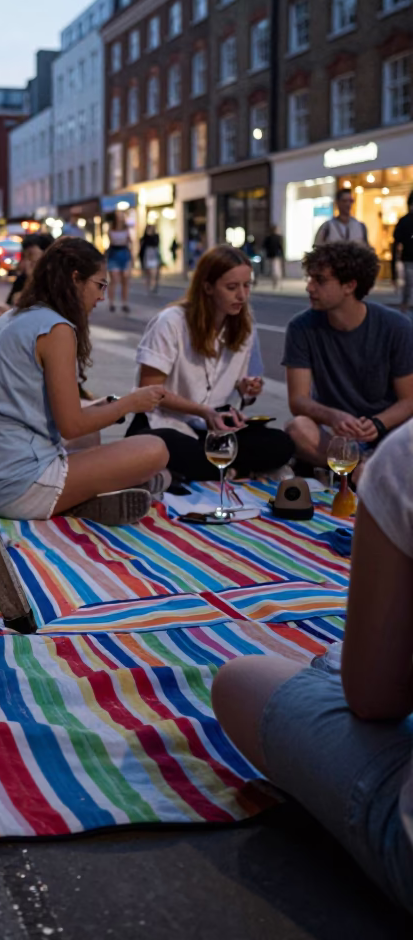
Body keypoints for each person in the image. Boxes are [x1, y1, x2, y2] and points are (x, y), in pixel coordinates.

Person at [211, 419, 413, 915]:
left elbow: (374, 700)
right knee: (285, 431)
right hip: (308, 428)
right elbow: (299, 403)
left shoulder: (404, 456)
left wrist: (380, 423)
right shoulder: (308, 335)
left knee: (241, 680)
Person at [0, 237, 169, 519]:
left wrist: (103, 408)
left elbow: (35, 409)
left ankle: (95, 494)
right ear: (76, 279)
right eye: (100, 285)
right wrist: (130, 404)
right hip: (18, 484)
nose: (102, 297)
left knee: (93, 434)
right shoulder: (57, 329)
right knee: (155, 449)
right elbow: (72, 426)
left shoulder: (12, 317)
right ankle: (85, 498)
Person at [124, 246, 294, 480]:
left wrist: (247, 389)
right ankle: (229, 470)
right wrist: (203, 411)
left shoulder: (243, 326)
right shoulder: (172, 322)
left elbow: (245, 388)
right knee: (163, 446)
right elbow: (149, 390)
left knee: (281, 444)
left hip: (214, 429)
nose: (242, 296)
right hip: (164, 423)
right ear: (207, 287)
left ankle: (202, 471)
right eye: (232, 287)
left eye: (247, 286)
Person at [284, 241, 413, 478]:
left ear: (350, 286)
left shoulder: (396, 327)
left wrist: (377, 423)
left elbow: (409, 400)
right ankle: (359, 470)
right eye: (309, 279)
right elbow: (298, 401)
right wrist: (334, 416)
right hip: (335, 437)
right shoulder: (301, 327)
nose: (309, 288)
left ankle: (358, 469)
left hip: (387, 434)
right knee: (297, 429)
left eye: (320, 281)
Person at [8, 232, 54, 306]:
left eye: (31, 255)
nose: (27, 262)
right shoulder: (22, 279)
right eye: (25, 257)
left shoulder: (55, 281)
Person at [106, 212, 132, 313]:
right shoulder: (111, 229)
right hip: (114, 254)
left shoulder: (126, 229)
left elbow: (129, 242)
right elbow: (111, 241)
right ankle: (111, 302)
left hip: (124, 254)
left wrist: (131, 258)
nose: (120, 218)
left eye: (122, 216)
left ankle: (124, 303)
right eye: (119, 216)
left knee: (125, 280)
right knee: (114, 279)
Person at [393, 191, 413, 314]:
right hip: (408, 259)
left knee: (408, 287)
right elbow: (396, 242)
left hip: (407, 258)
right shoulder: (405, 221)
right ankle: (404, 309)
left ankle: (405, 308)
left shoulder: (404, 220)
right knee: (408, 287)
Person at [139, 225, 162, 294]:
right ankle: (148, 287)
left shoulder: (156, 236)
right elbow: (142, 247)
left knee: (154, 273)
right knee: (148, 273)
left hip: (154, 255)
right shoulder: (144, 237)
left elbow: (156, 243)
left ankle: (153, 285)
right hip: (147, 256)